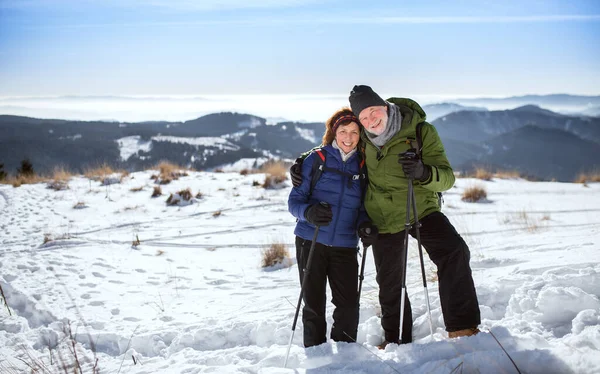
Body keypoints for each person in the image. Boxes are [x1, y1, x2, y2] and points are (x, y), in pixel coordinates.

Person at [291, 85, 481, 348]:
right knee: (390, 283)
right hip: (382, 216)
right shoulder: (364, 138)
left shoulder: (420, 131)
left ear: (385, 106)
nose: (370, 121)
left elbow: (447, 178)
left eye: (373, 112)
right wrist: (300, 161)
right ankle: (396, 340)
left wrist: (423, 172)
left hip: (420, 208)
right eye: (364, 118)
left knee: (454, 251)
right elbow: (334, 147)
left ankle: (462, 327)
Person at [288, 108, 369, 348]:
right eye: (343, 131)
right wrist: (309, 213)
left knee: (348, 306)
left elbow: (365, 205)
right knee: (313, 303)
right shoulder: (316, 160)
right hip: (310, 240)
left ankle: (345, 356)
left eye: (354, 132)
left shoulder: (364, 166)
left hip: (345, 244)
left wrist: (365, 223)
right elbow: (294, 203)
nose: (348, 137)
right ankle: (315, 354)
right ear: (333, 132)